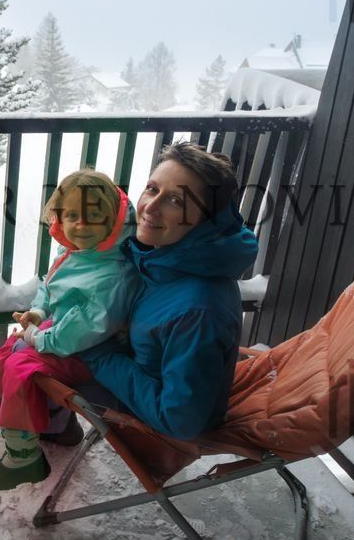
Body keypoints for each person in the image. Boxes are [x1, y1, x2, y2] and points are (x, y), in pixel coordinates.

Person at [0, 169, 140, 490]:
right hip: (65, 335)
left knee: (20, 366)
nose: (81, 225)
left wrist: (37, 336)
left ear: (113, 220)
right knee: (14, 344)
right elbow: (50, 289)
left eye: (94, 216)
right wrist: (38, 313)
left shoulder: (112, 274)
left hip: (91, 353)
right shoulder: (77, 252)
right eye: (72, 215)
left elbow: (82, 332)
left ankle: (24, 456)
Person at [81, 141, 258, 441]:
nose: (150, 207)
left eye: (175, 201)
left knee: (31, 362)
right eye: (152, 189)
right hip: (132, 374)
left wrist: (99, 354)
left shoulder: (198, 311)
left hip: (152, 423)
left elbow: (179, 420)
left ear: (206, 222)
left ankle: (35, 446)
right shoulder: (164, 261)